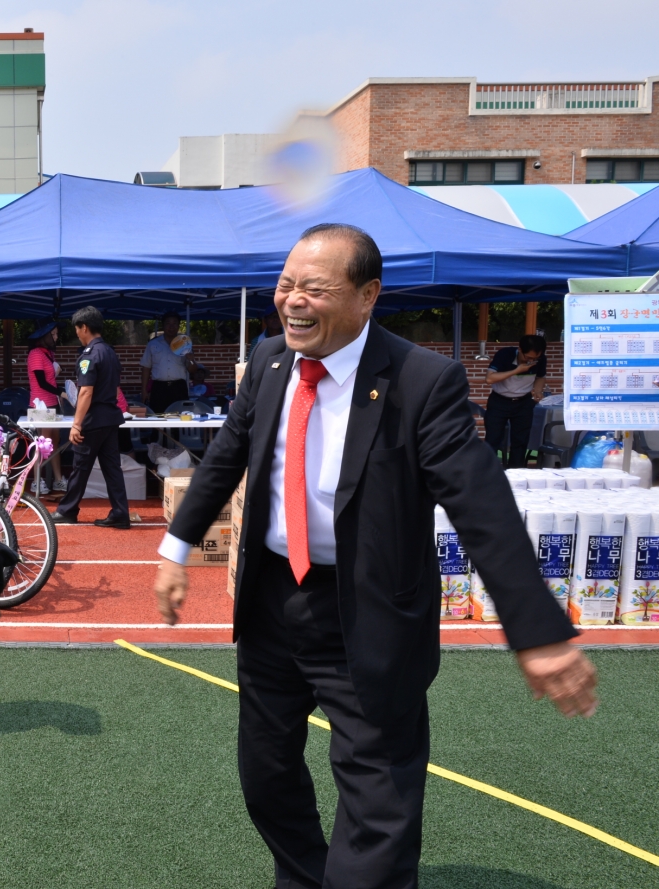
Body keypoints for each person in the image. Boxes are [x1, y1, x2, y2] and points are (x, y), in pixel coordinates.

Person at [152, 224, 597, 889]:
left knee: (378, 802)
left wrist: (536, 629)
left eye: (314, 288)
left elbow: (481, 507)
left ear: (367, 296)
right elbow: (225, 456)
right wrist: (173, 548)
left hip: (369, 614)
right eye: (285, 284)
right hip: (275, 601)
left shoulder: (422, 381)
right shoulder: (270, 362)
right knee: (265, 772)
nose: (292, 301)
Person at [51, 306, 130, 529]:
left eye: (77, 329)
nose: (77, 334)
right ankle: (120, 513)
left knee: (81, 466)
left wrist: (76, 424)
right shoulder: (109, 352)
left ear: (84, 327)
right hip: (110, 418)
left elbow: (85, 391)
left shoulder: (89, 355)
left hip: (93, 419)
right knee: (112, 468)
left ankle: (67, 510)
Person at [484, 334, 547, 468]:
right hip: (499, 401)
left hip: (523, 402)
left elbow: (540, 377)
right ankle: (488, 472)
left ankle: (516, 473)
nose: (531, 361)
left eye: (535, 358)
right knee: (493, 439)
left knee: (520, 441)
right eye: (528, 357)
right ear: (519, 349)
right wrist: (516, 370)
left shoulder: (540, 359)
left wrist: (538, 391)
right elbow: (490, 378)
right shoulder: (504, 355)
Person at [26, 321, 67, 495]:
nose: (56, 337)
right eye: (54, 334)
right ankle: (36, 480)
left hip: (52, 403)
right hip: (40, 404)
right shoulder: (36, 354)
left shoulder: (48, 354)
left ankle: (58, 480)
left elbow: (49, 379)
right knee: (43, 444)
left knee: (54, 442)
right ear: (45, 336)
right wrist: (62, 393)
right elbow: (41, 382)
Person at [140, 310, 193, 412]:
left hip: (178, 387)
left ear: (178, 326)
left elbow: (192, 369)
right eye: (168, 323)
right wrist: (144, 389)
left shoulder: (185, 344)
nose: (171, 327)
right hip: (159, 387)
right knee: (158, 419)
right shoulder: (153, 344)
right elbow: (146, 367)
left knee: (179, 420)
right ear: (163, 326)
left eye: (174, 324)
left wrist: (192, 360)